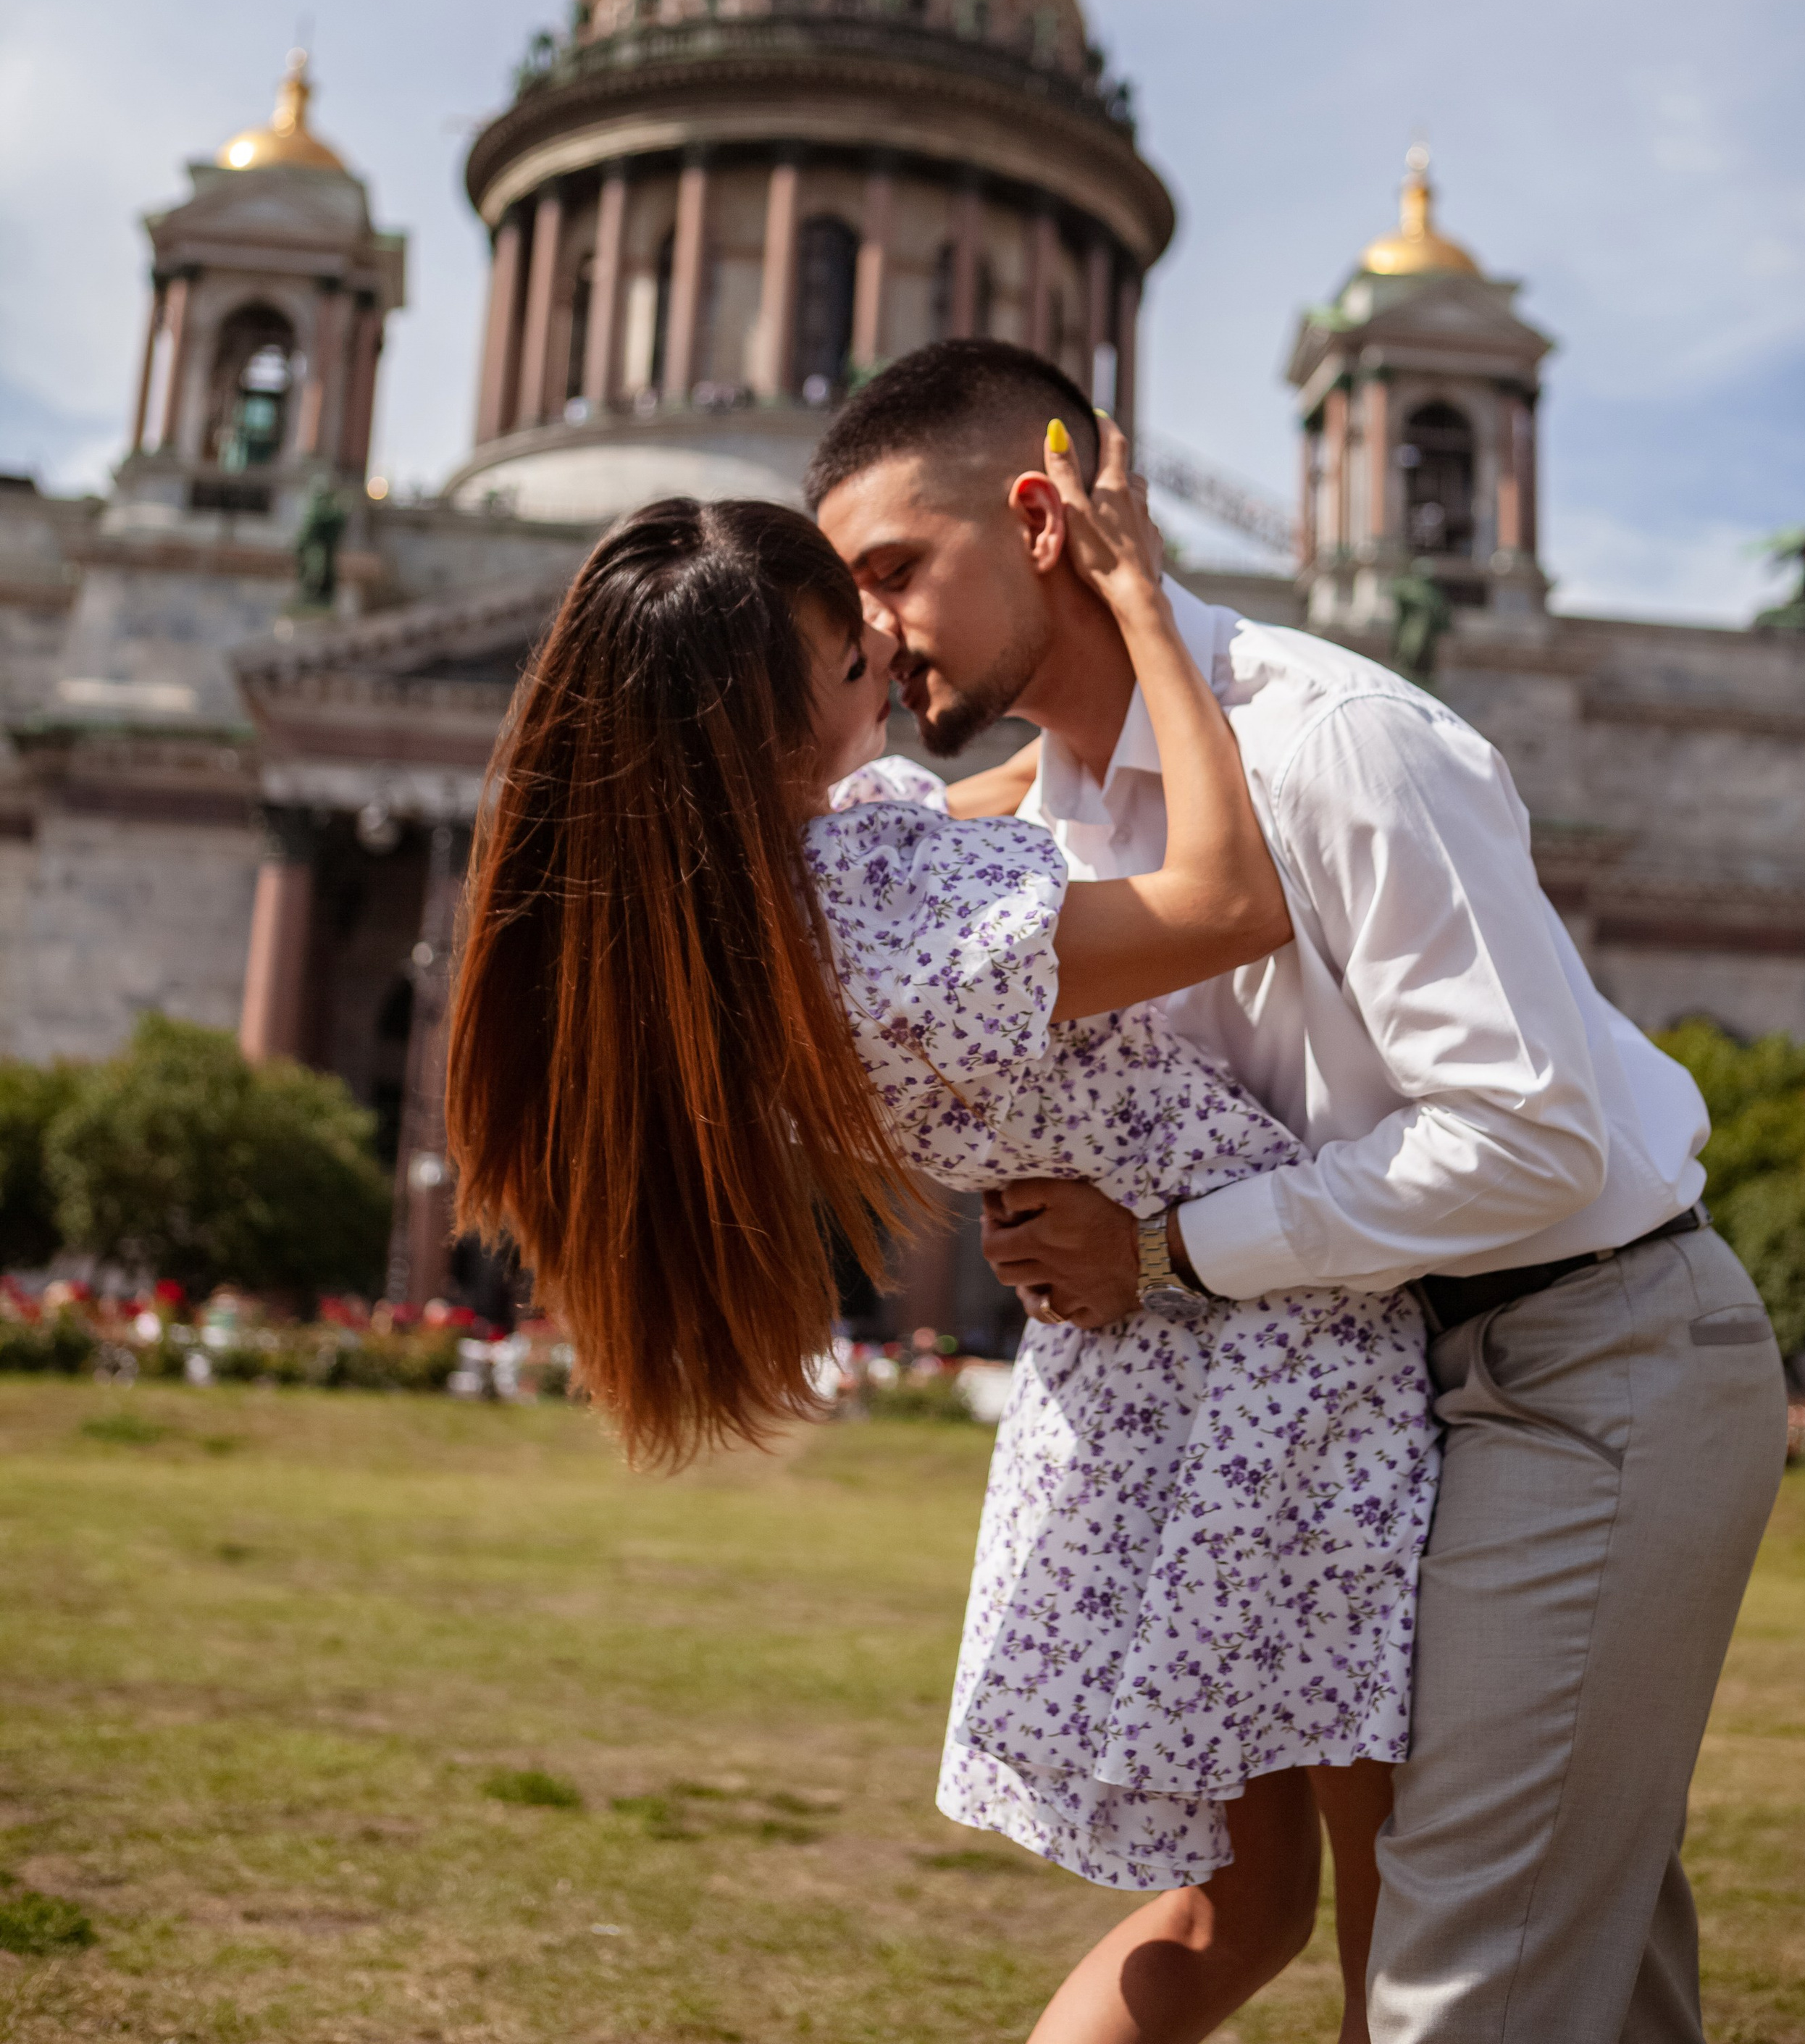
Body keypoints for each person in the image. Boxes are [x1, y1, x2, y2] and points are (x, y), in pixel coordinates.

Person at [806, 337, 1791, 2044]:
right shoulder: (1055, 817)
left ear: (1040, 518)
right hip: (1400, 1385)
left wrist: (1172, 1253)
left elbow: (1530, 1140)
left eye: (895, 572)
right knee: (1581, 1957)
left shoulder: (1334, 745)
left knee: (1453, 1980)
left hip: (1588, 1357)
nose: (870, 632)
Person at [445, 429, 1438, 2044]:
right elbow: (1227, 904)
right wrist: (1146, 618)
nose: (892, 653)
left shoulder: (762, 910)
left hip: (1133, 1389)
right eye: (857, 650)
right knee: (1398, 1895)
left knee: (1235, 1902)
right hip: (1277, 1354)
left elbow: (1002, 799)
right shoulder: (884, 901)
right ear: (776, 727)